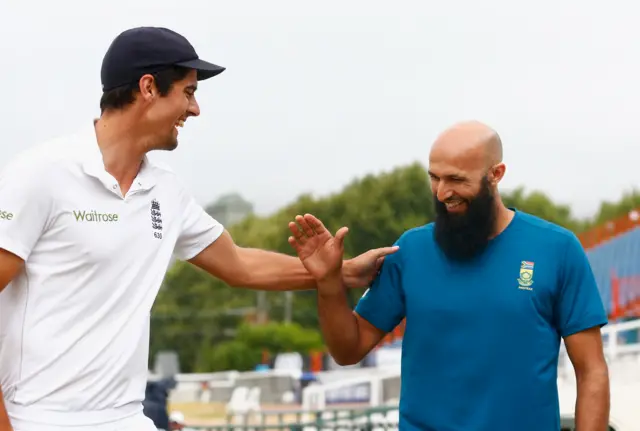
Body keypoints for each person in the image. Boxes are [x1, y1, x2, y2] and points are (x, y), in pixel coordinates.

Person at [0, 27, 397, 431]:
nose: (195, 109)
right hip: (36, 419)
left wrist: (343, 272)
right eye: (188, 92)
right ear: (149, 87)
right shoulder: (41, 174)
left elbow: (240, 265)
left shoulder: (166, 189)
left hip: (126, 419)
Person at [287, 121, 611, 431]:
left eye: (456, 180)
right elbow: (348, 350)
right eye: (435, 178)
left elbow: (592, 371)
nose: (442, 193)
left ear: (495, 174)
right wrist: (329, 282)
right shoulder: (410, 251)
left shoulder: (556, 248)